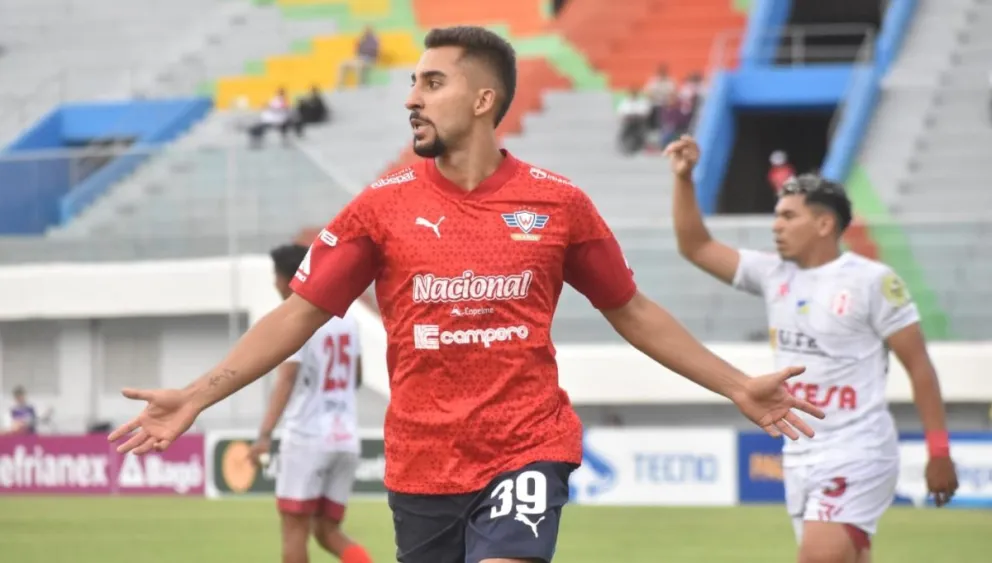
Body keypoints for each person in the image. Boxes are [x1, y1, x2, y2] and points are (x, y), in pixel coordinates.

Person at [109, 27, 826, 563]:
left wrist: (736, 383)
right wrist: (199, 394)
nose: (410, 98)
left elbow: (632, 310)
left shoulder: (559, 205)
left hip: (526, 446)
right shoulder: (378, 208)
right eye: (412, 83)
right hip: (421, 463)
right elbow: (298, 313)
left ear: (484, 100)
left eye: (430, 83)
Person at [666, 135, 959, 563]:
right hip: (801, 454)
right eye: (776, 216)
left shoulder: (872, 281)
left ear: (824, 225)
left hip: (857, 451)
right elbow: (696, 246)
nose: (776, 226)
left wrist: (938, 451)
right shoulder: (771, 273)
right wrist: (685, 179)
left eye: (788, 216)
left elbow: (919, 368)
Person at [247, 244, 372, 563]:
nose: (274, 284)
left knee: (294, 529)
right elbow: (356, 376)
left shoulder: (294, 321)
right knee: (328, 531)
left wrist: (264, 435)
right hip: (345, 437)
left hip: (307, 437)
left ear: (289, 278)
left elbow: (286, 380)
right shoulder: (348, 319)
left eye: (275, 277)